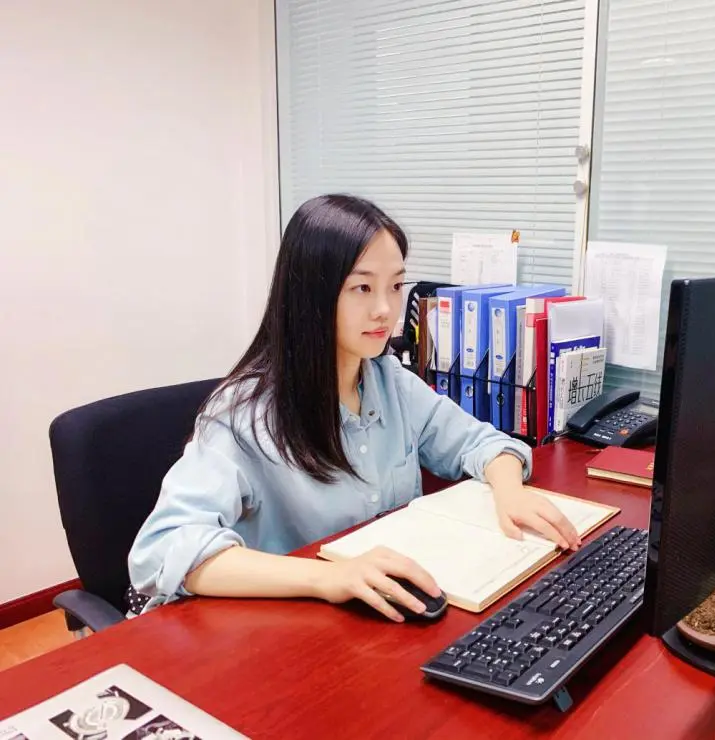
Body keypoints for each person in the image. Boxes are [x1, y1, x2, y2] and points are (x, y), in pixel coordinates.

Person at [127, 194, 579, 622]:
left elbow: (482, 443)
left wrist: (509, 490)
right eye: (362, 287)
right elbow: (163, 549)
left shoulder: (390, 381)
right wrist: (328, 577)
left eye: (396, 286)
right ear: (311, 295)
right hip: (287, 630)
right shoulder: (244, 414)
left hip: (384, 612)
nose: (385, 309)